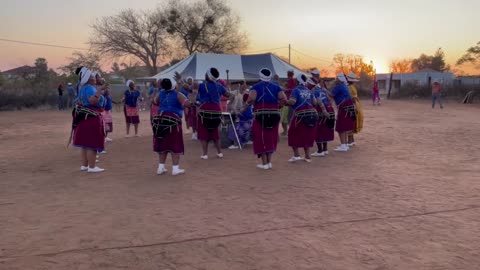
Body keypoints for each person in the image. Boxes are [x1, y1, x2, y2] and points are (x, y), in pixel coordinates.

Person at [244, 68, 286, 169]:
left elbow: (252, 98)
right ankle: (269, 162)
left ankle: (264, 163)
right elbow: (283, 99)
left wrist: (245, 105)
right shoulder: (277, 87)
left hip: (261, 115)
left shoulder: (255, 87)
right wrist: (278, 106)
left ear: (260, 76)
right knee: (271, 137)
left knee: (261, 137)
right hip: (274, 115)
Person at [152, 78, 192, 176]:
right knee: (175, 144)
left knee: (162, 143)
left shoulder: (161, 94)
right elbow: (188, 104)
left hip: (160, 121)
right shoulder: (178, 94)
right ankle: (175, 169)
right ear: (174, 85)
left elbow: (154, 102)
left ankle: (160, 168)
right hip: (173, 121)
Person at [72, 69, 106, 173]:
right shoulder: (90, 88)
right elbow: (93, 100)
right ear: (88, 78)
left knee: (84, 143)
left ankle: (84, 165)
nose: (94, 78)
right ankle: (92, 167)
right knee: (92, 143)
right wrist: (100, 90)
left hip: (83, 118)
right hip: (91, 118)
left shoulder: (83, 88)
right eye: (92, 76)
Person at [196, 67, 230, 159]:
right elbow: (228, 94)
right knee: (215, 132)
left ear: (208, 76)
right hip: (216, 110)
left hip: (204, 110)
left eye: (206, 74)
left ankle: (205, 154)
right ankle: (219, 153)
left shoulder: (202, 86)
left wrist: (181, 80)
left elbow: (190, 88)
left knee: (204, 133)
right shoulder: (219, 86)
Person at [286, 75, 318, 163]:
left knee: (292, 133)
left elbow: (292, 101)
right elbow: (315, 102)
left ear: (297, 81)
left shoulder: (295, 90)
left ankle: (296, 155)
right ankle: (307, 156)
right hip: (311, 114)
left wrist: (285, 101)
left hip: (300, 116)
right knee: (307, 135)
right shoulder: (309, 90)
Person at [327, 74, 356, 152]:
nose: (336, 80)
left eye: (337, 78)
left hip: (343, 107)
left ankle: (343, 145)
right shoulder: (345, 86)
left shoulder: (338, 87)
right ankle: (345, 144)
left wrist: (324, 89)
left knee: (341, 127)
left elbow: (331, 95)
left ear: (339, 79)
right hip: (348, 107)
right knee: (345, 126)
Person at [312, 79, 335, 157]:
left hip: (321, 110)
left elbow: (319, 102)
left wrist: (324, 110)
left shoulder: (316, 91)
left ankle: (320, 150)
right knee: (325, 129)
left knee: (318, 130)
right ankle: (325, 149)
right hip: (329, 109)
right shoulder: (324, 91)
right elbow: (330, 99)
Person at [228, 84, 253, 149]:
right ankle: (246, 140)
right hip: (250, 123)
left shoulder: (244, 107)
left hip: (244, 125)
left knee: (233, 128)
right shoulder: (249, 107)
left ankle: (237, 144)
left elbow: (239, 114)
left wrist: (232, 108)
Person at [346, 72, 364, 146]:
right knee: (353, 121)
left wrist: (354, 107)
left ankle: (350, 141)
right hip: (356, 104)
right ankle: (352, 140)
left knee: (350, 121)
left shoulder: (349, 87)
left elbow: (352, 98)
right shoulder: (352, 86)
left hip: (353, 104)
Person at [281, 70, 296, 135]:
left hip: (289, 102)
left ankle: (289, 131)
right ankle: (286, 131)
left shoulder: (292, 81)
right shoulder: (289, 81)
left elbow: (293, 89)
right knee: (286, 118)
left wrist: (286, 89)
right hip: (286, 102)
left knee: (288, 118)